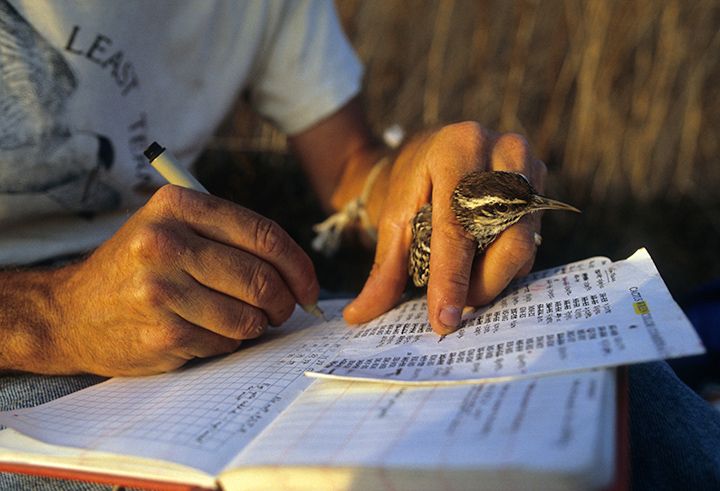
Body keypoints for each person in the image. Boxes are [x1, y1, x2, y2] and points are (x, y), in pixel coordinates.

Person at [1, 2, 718, 491]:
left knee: (613, 396)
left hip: (172, 308)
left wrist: (402, 180)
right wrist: (51, 316)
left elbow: (349, 165)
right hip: (21, 346)